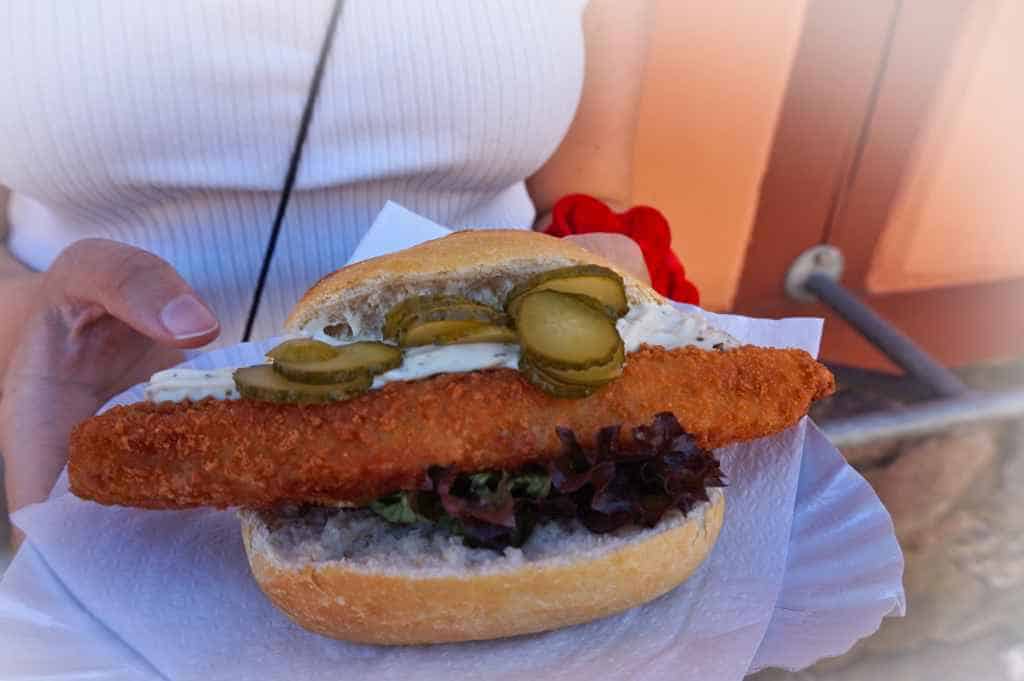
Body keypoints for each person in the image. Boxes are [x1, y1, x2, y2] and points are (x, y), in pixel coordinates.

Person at [0, 1, 654, 526]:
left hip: (516, 426)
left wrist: (601, 260)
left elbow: (589, 191)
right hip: (74, 440)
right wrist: (33, 331)